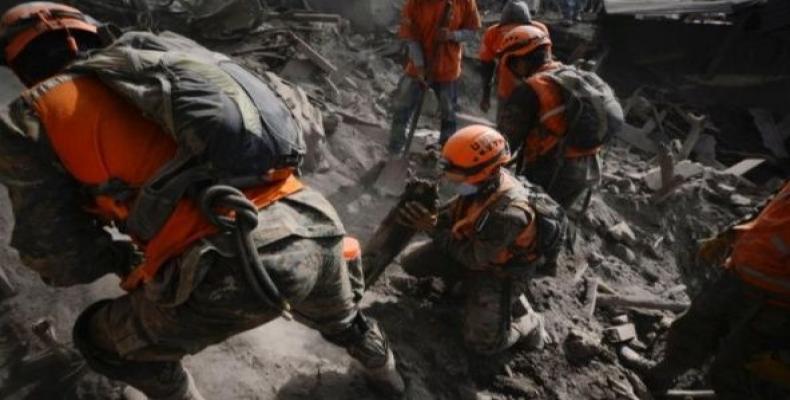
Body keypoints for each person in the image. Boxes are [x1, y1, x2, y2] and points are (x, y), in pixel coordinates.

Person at [0, 3, 404, 399]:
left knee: (99, 341)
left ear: (19, 68)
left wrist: (122, 260)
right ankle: (392, 380)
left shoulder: (33, 115)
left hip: (227, 266)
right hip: (315, 221)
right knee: (342, 319)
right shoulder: (171, 64)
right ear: (93, 34)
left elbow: (58, 255)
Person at [396, 125, 568, 355]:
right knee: (410, 261)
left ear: (483, 172)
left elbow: (474, 259)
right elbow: (450, 217)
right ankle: (462, 288)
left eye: (457, 173)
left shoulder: (509, 213)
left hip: (500, 270)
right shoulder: (481, 184)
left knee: (481, 342)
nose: (450, 178)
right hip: (476, 249)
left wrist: (433, 228)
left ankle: (528, 321)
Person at [645, 181, 790, 399]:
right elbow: (769, 207)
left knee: (737, 371)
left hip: (773, 306)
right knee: (692, 331)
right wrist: (729, 235)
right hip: (737, 276)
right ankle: (658, 378)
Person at [497, 25, 621, 210]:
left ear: (521, 60)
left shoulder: (532, 89)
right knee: (555, 216)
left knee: (532, 216)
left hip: (553, 168)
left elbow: (505, 143)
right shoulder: (570, 75)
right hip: (587, 167)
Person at [389, 0, 481, 154]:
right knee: (402, 107)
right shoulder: (415, 4)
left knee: (448, 114)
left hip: (448, 68)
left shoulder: (465, 2)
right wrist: (419, 66)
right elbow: (411, 37)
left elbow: (472, 31)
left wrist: (452, 35)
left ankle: (446, 153)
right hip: (417, 68)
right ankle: (395, 149)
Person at [478, 0, 547, 116]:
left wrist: (486, 96)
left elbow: (546, 63)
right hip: (509, 91)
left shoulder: (539, 31)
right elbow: (487, 66)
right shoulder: (492, 33)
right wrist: (485, 96)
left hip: (534, 91)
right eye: (509, 29)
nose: (514, 32)